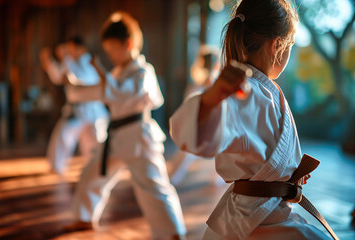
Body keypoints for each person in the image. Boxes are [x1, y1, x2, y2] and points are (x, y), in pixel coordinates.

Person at [170, 0, 332, 239]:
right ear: (277, 45)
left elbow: (263, 152)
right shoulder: (247, 91)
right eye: (291, 46)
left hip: (262, 213)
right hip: (257, 220)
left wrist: (288, 172)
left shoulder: (262, 91)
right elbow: (196, 137)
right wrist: (210, 101)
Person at [63, 12, 186, 240]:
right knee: (92, 174)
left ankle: (172, 232)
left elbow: (122, 93)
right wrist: (74, 88)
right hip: (116, 136)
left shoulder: (143, 71)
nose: (109, 57)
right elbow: (101, 91)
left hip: (139, 137)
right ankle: (84, 217)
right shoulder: (118, 72)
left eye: (112, 50)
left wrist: (100, 72)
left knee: (153, 186)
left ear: (128, 44)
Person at [39, 38, 109, 175]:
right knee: (63, 137)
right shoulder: (70, 62)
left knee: (96, 144)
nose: (70, 52)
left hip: (92, 110)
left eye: (72, 49)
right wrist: (48, 61)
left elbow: (83, 81)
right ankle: (57, 167)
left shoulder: (88, 61)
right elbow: (58, 77)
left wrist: (66, 60)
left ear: (81, 48)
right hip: (76, 111)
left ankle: (98, 168)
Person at [168, 45, 224, 186]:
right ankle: (172, 178)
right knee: (186, 153)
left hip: (214, 126)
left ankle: (217, 179)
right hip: (197, 126)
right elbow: (188, 107)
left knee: (219, 151)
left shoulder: (214, 85)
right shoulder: (197, 87)